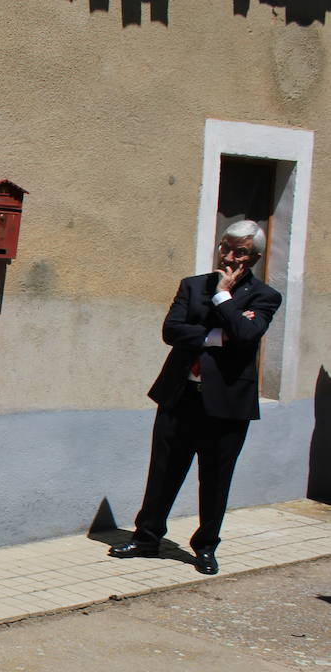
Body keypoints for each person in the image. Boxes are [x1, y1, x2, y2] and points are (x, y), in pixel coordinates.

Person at [108, 220, 282, 575]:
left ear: (255, 258)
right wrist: (219, 335)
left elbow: (248, 334)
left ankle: (205, 547)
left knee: (216, 478)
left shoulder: (265, 296)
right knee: (163, 471)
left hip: (227, 405)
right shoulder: (192, 286)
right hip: (181, 394)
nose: (230, 256)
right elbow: (171, 331)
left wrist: (222, 296)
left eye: (240, 251)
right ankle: (147, 537)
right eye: (226, 247)